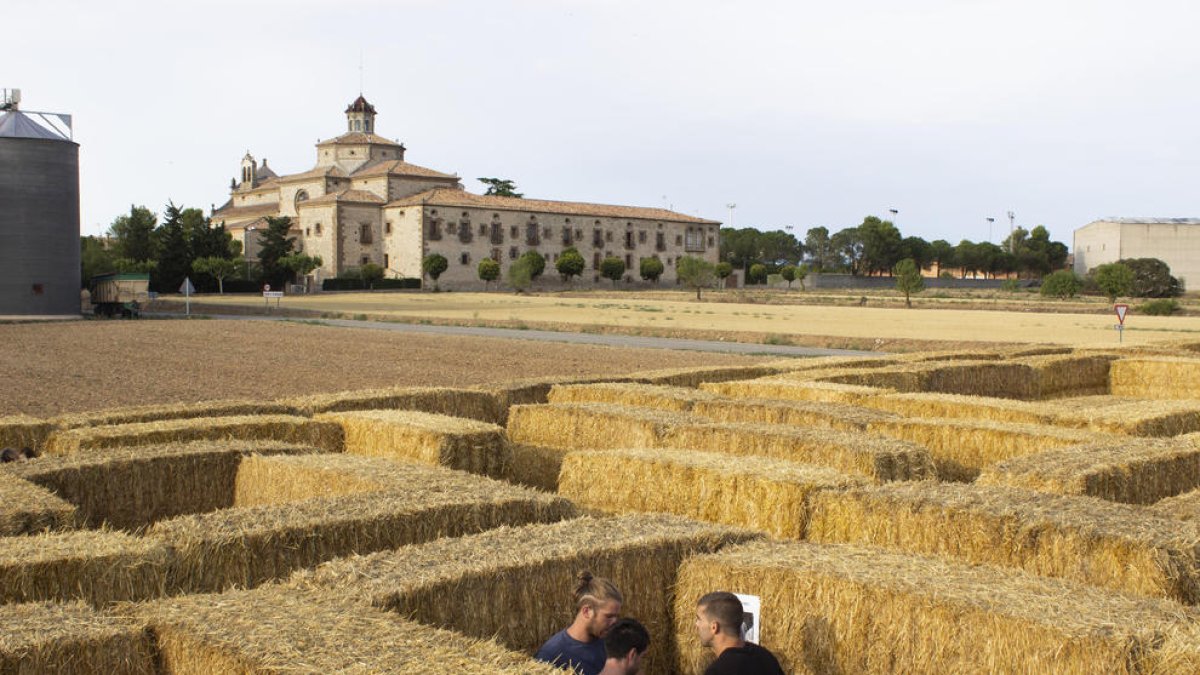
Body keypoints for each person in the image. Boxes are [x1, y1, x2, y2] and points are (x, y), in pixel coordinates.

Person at [535, 571, 623, 675]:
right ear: (586, 611)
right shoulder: (551, 656)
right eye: (609, 616)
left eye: (616, 616)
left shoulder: (610, 642)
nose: (615, 622)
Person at [694, 591, 784, 675]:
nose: (696, 624)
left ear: (714, 627)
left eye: (699, 619)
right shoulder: (765, 656)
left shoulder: (718, 671)